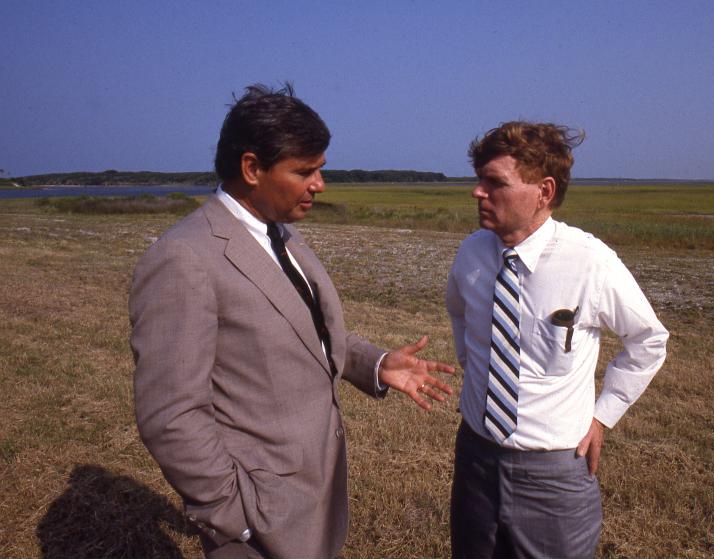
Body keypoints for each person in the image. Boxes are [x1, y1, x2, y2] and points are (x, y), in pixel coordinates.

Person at [130, 83, 455, 559]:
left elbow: (305, 331)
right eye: (305, 171)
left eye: (320, 169)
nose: (319, 185)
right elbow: (171, 415)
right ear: (251, 168)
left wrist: (376, 363)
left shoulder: (279, 234)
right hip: (257, 521)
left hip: (309, 502)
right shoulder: (184, 258)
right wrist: (232, 519)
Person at [445, 121, 669, 558]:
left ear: (543, 192)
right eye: (478, 180)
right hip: (475, 459)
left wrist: (604, 415)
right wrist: (476, 372)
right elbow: (459, 312)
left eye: (494, 183)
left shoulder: (589, 262)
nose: (477, 192)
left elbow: (648, 340)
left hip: (554, 477)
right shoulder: (471, 253)